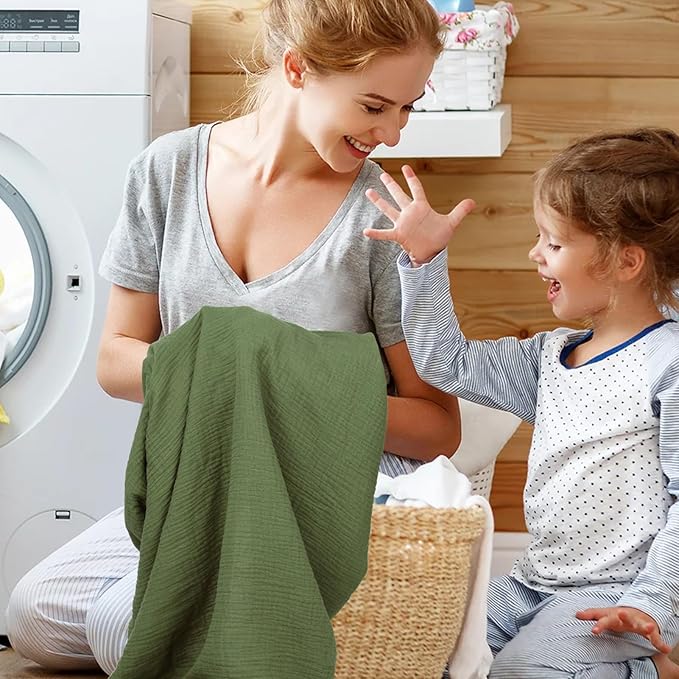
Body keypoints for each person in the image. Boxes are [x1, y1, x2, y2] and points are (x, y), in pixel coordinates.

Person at [5, 0, 463, 672]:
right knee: (35, 617)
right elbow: (114, 360)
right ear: (298, 69)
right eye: (374, 106)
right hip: (199, 472)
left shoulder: (380, 219)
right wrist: (236, 367)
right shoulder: (167, 171)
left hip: (317, 483)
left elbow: (437, 426)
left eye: (407, 109)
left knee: (118, 627)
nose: (391, 134)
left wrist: (276, 383)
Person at [364, 127, 679, 678]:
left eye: (553, 244)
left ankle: (655, 667)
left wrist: (652, 604)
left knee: (524, 674)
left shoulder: (668, 362)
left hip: (624, 596)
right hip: (533, 582)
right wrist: (425, 259)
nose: (534, 254)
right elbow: (446, 362)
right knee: (420, 651)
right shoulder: (547, 358)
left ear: (626, 262)